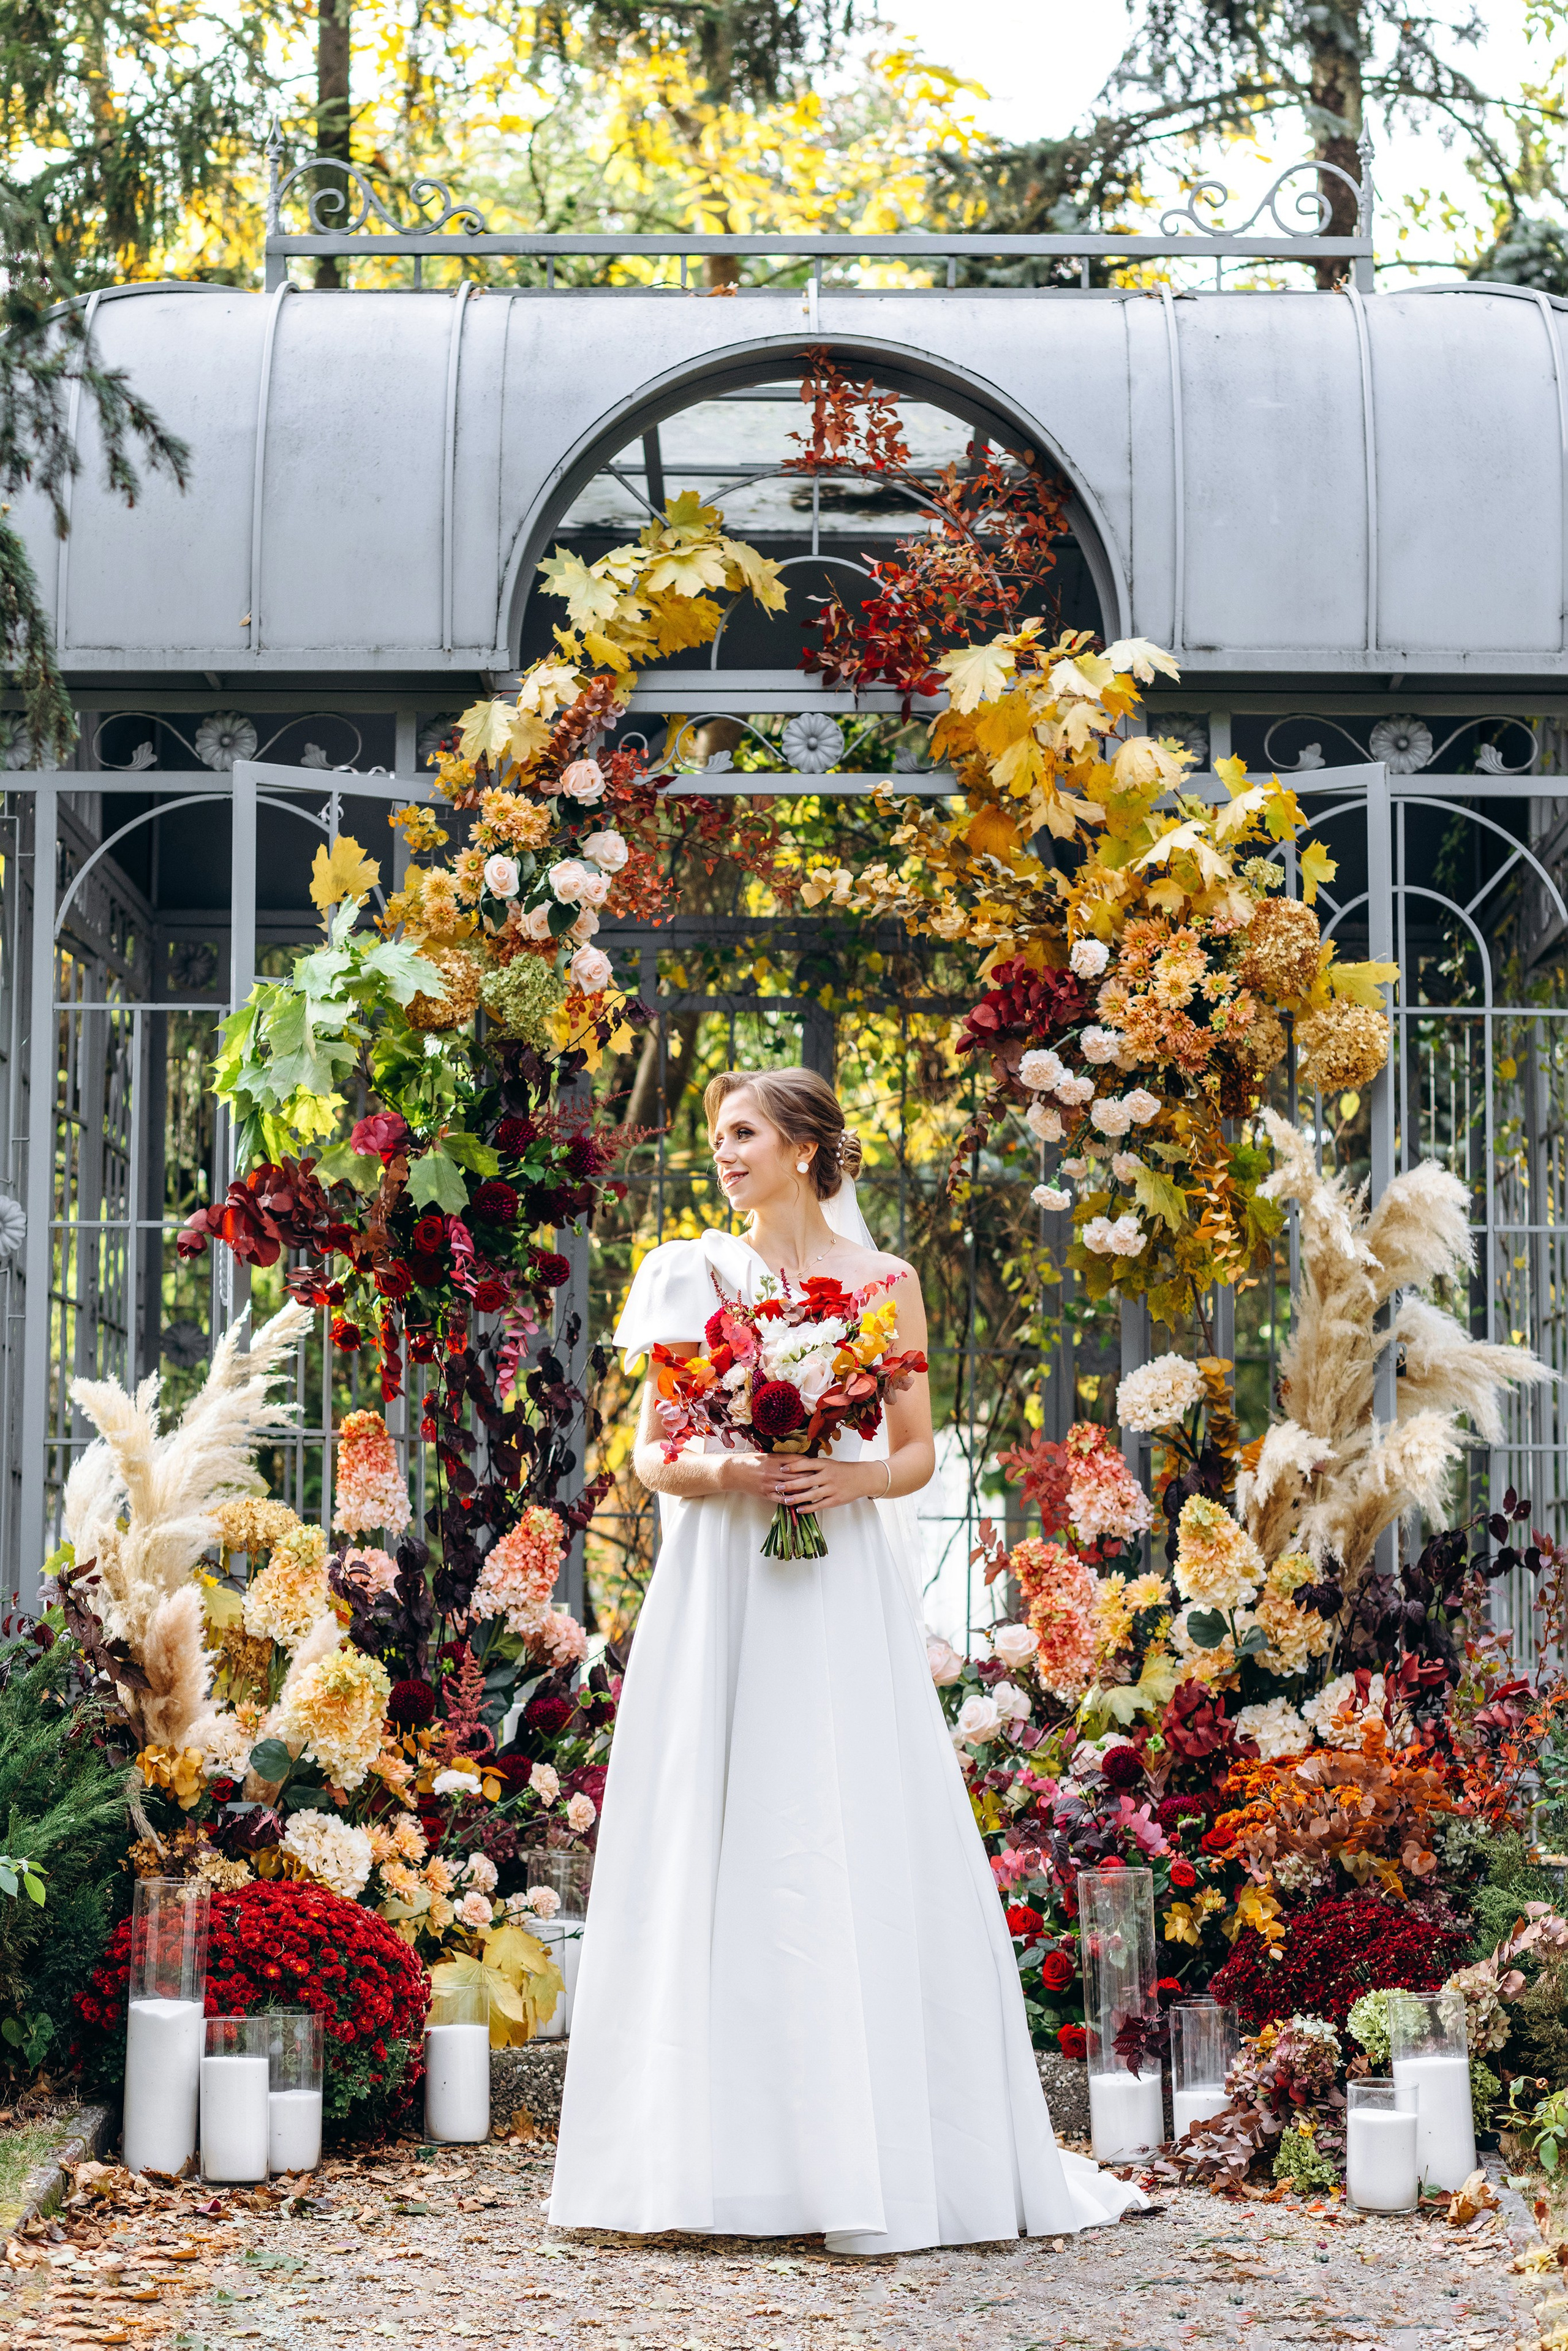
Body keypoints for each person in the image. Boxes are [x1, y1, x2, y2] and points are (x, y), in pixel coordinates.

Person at [549, 1067, 1144, 2253]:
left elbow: (915, 1449)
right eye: (716, 1134)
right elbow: (652, 1449)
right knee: (712, 1824)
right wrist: (734, 1470)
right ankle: (700, 2159)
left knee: (833, 1817)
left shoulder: (887, 1287)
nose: (721, 1152)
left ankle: (865, 2148)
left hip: (835, 1582)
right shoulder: (687, 1274)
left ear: (806, 1145)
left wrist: (845, 1474)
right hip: (723, 1580)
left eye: (741, 1132)